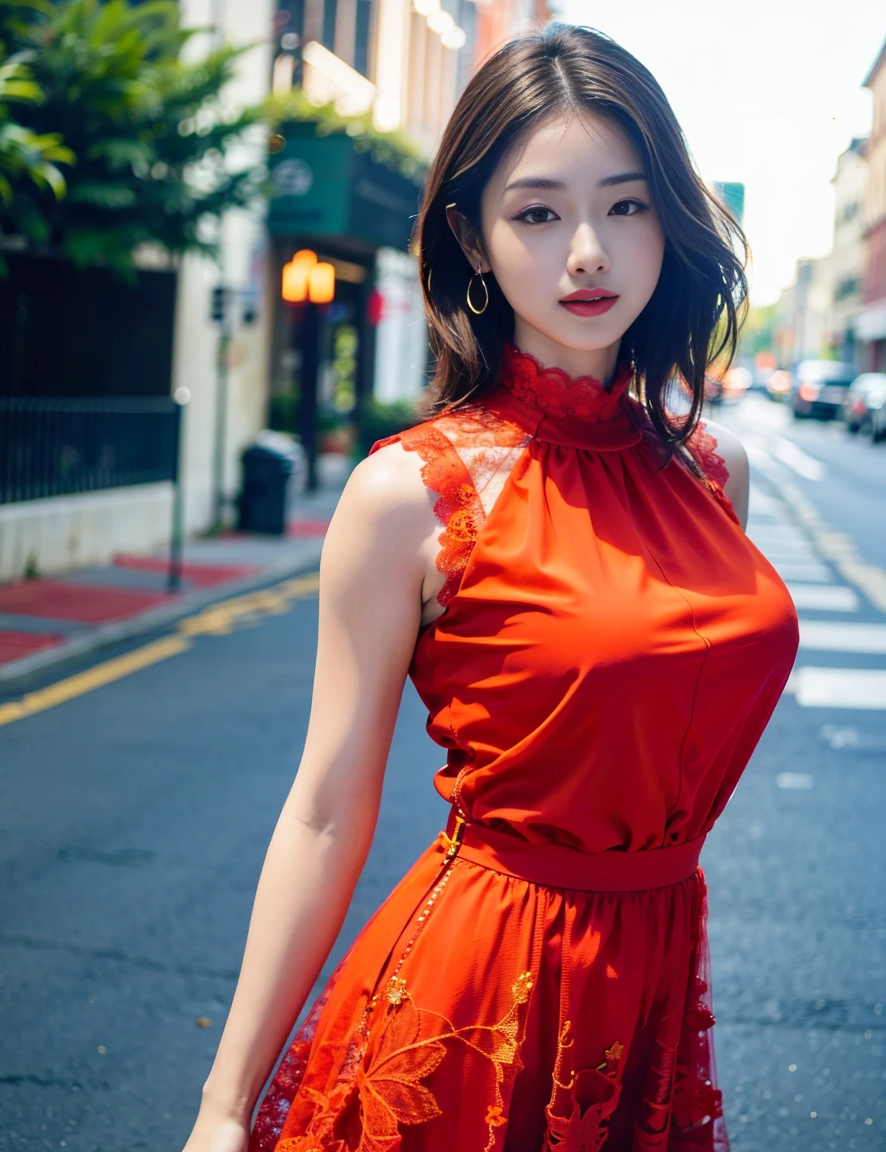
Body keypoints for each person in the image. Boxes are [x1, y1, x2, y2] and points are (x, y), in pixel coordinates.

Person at [182, 22, 799, 1152]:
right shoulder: (411, 493)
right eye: (537, 212)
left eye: (625, 205)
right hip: (475, 996)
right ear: (471, 234)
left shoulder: (715, 474)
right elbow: (325, 810)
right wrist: (224, 1108)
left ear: (670, 217)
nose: (587, 254)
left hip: (652, 986)